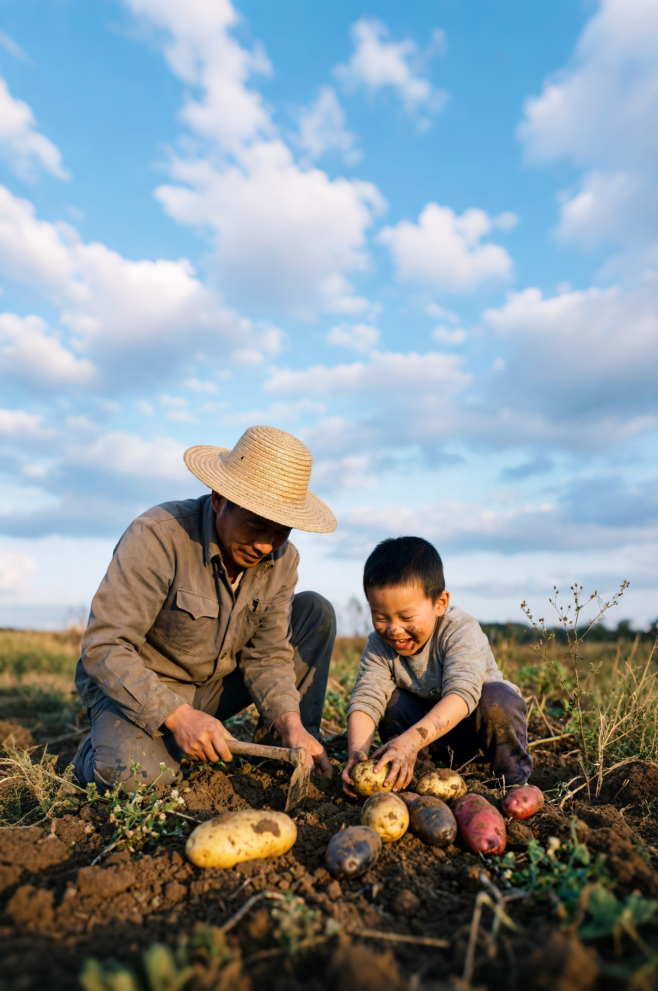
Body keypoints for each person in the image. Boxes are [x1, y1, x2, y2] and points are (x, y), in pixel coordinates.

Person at [73, 425, 338, 790]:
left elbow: (268, 655)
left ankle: (290, 751)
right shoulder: (158, 536)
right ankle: (95, 753)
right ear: (218, 499)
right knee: (138, 779)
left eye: (280, 532)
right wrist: (178, 717)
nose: (265, 545)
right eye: (255, 525)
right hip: (143, 687)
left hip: (215, 688)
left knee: (315, 613)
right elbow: (104, 647)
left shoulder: (283, 559)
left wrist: (291, 723)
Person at [341, 536, 531, 796]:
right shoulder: (379, 644)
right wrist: (357, 754)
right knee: (391, 703)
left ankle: (515, 783)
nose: (394, 629)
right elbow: (367, 697)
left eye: (406, 617)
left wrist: (410, 740)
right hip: (429, 740)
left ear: (440, 603)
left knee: (498, 700)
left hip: (475, 735)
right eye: (380, 617)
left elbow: (462, 694)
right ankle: (419, 780)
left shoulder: (460, 630)